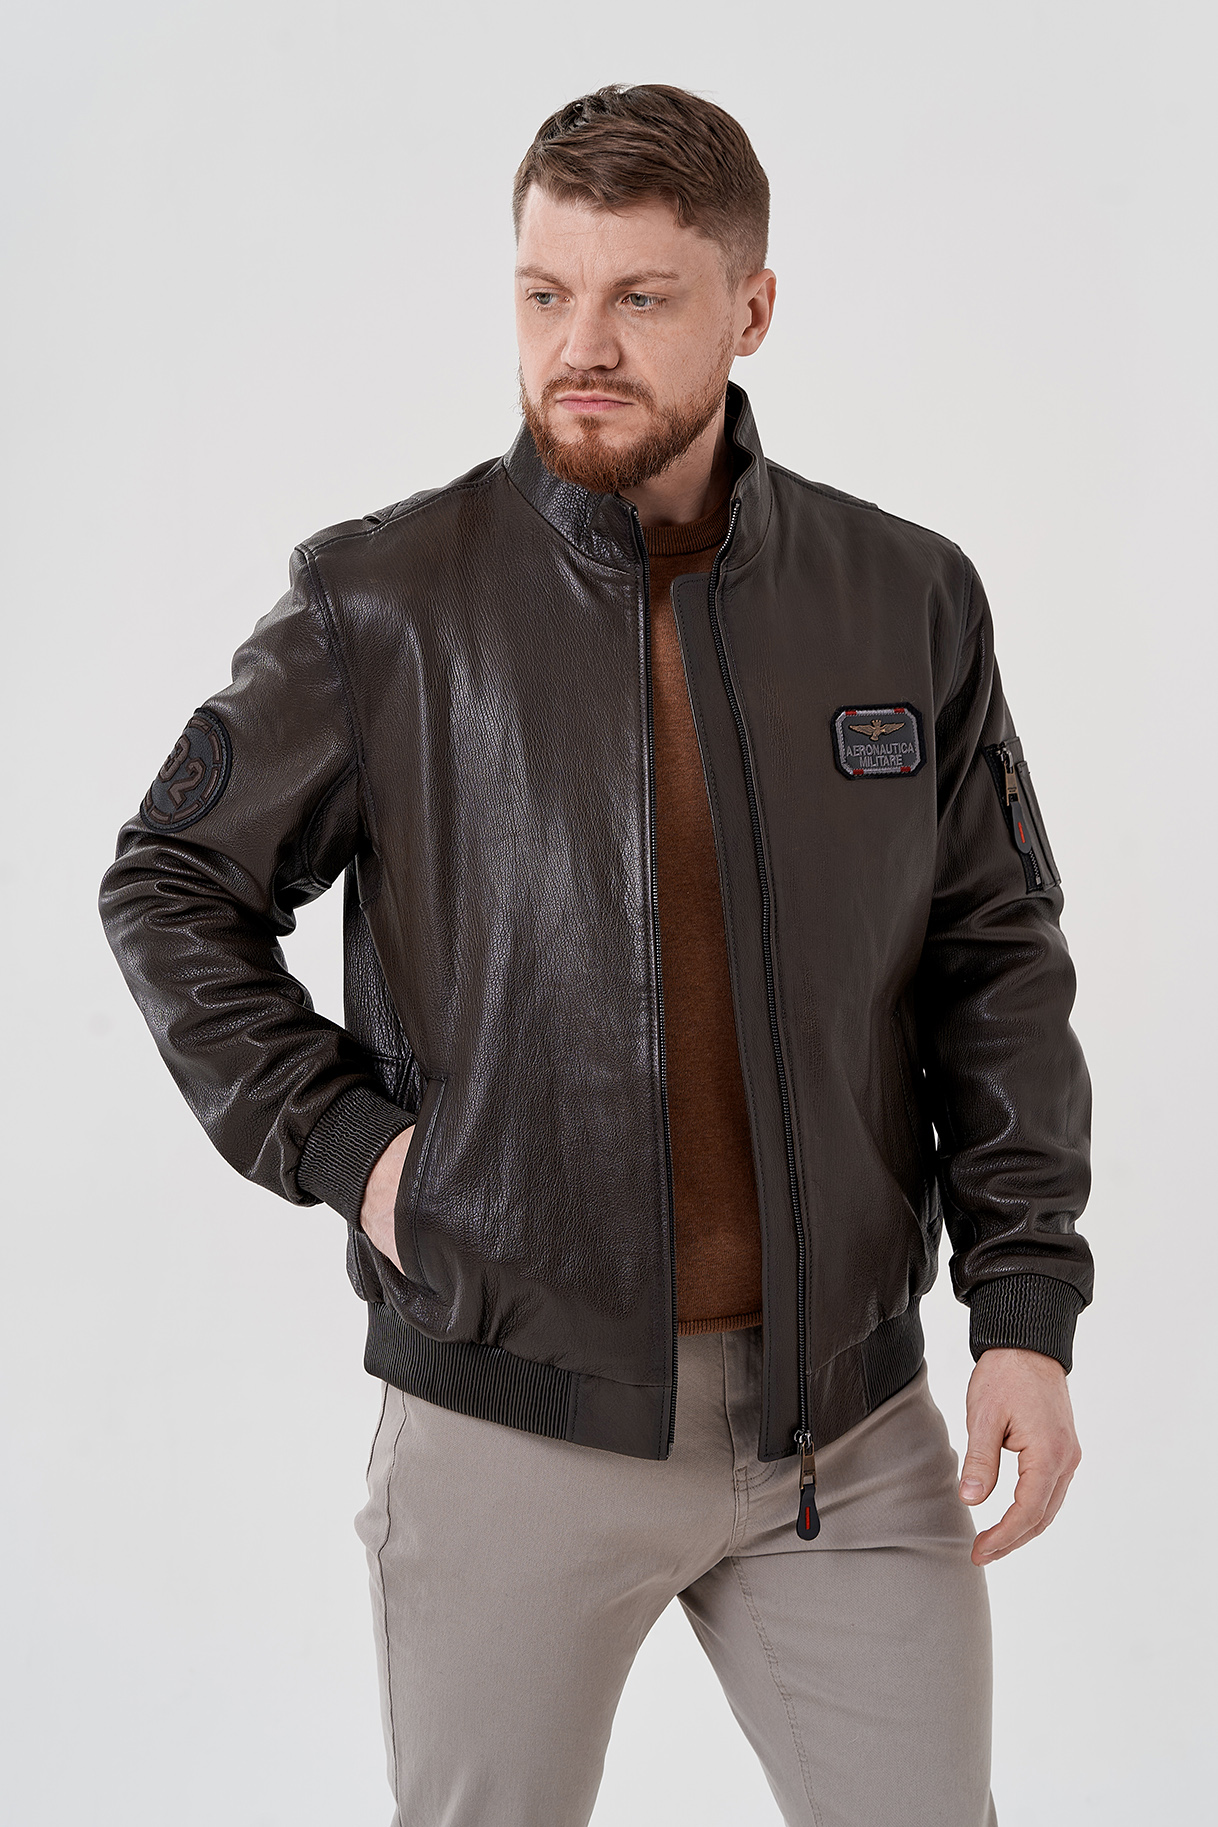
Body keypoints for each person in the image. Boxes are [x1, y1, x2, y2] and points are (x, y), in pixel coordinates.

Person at [99, 83, 1093, 1827]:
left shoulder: (903, 596)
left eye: (640, 297)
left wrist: (1022, 1309)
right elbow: (171, 880)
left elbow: (991, 955)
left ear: (749, 308)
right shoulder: (382, 602)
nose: (582, 346)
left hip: (844, 1436)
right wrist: (353, 1149)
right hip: (510, 1421)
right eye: (545, 293)